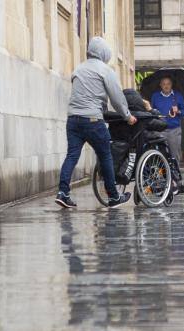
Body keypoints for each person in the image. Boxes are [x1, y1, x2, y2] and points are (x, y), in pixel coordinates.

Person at [55, 37, 135, 209]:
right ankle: (113, 197)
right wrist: (128, 116)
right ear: (104, 53)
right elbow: (117, 97)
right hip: (92, 121)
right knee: (105, 155)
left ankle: (63, 192)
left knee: (72, 156)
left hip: (73, 120)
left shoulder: (78, 69)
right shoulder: (105, 70)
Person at [151, 77, 184, 165]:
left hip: (174, 130)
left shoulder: (177, 96)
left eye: (168, 84)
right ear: (160, 85)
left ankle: (175, 175)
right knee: (160, 154)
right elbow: (151, 111)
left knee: (175, 154)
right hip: (159, 130)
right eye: (164, 84)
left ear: (171, 85)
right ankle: (163, 175)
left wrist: (178, 111)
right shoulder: (155, 96)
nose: (166, 86)